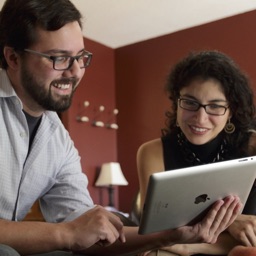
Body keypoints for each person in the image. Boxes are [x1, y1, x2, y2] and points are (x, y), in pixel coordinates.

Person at [0, 0, 242, 255]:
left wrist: (172, 236)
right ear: (13, 58)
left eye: (80, 57)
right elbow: (71, 232)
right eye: (59, 58)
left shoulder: (58, 139)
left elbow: (88, 235)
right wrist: (66, 233)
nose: (75, 71)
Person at [137, 50, 256, 256]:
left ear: (231, 111)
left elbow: (251, 237)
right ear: (177, 102)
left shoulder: (252, 147)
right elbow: (156, 234)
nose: (200, 118)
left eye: (215, 106)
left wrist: (184, 244)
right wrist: (231, 221)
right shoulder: (152, 152)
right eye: (191, 103)